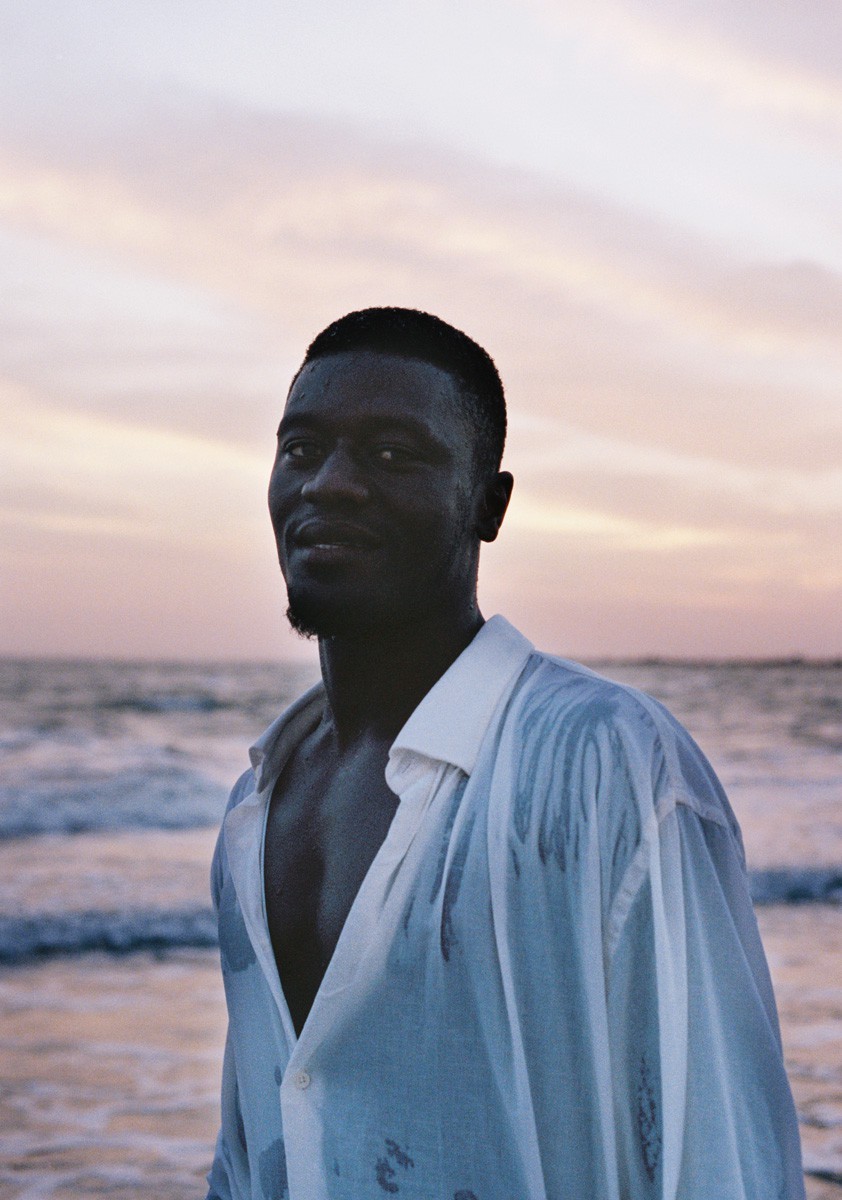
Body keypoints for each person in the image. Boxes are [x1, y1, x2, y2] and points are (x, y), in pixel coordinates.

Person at [206, 307, 805, 1200]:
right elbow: (253, 1154)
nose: (329, 484)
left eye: (392, 454)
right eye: (301, 449)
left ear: (490, 503)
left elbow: (719, 1154)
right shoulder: (257, 805)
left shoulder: (610, 767)